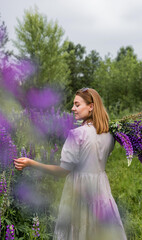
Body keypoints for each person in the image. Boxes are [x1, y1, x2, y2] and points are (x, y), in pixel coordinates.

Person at [14, 88, 127, 240]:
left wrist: (31, 163)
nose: (73, 108)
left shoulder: (77, 134)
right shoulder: (109, 134)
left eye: (77, 104)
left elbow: (63, 171)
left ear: (91, 106)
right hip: (101, 192)